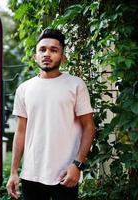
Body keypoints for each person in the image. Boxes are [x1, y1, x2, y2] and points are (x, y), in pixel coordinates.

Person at [6, 28, 95, 200]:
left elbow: (89, 127)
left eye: (54, 50)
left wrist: (77, 165)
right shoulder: (24, 89)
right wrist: (13, 172)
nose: (47, 54)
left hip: (65, 174)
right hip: (31, 174)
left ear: (62, 57)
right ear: (35, 56)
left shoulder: (76, 85)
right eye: (42, 49)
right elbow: (21, 131)